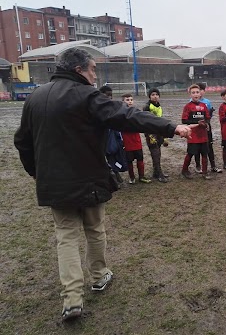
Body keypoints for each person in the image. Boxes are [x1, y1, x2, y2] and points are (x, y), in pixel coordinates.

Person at [13, 48, 192, 322]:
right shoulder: (87, 96)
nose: (95, 75)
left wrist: (36, 172)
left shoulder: (36, 97)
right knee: (94, 229)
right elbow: (127, 116)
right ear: (79, 70)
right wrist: (169, 127)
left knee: (66, 236)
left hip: (55, 183)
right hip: (89, 180)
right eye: (93, 69)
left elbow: (22, 141)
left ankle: (72, 299)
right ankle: (98, 276)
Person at [181, 84, 211, 180]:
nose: (195, 94)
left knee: (204, 154)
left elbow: (207, 118)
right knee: (190, 153)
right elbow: (184, 120)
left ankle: (205, 172)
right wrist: (197, 123)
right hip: (193, 135)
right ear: (190, 95)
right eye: (193, 93)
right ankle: (184, 170)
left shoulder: (203, 106)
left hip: (203, 135)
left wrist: (205, 123)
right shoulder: (188, 107)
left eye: (197, 92)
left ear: (200, 94)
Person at [121, 94, 152, 184]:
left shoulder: (136, 112)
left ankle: (141, 176)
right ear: (123, 101)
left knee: (140, 159)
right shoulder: (121, 114)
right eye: (127, 100)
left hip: (137, 141)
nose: (130, 101)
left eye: (131, 99)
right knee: (129, 161)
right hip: (127, 142)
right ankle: (132, 177)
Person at [193, 83, 222, 173]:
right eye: (197, 91)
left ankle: (213, 166)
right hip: (196, 128)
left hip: (206, 127)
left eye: (201, 90)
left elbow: (209, 116)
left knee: (209, 146)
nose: (199, 93)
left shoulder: (207, 102)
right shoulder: (191, 102)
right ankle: (198, 166)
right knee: (197, 147)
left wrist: (209, 113)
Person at [101, 85, 127, 184]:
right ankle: (112, 178)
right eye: (107, 95)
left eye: (111, 95)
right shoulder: (96, 107)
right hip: (102, 139)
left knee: (114, 156)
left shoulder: (113, 107)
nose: (110, 97)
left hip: (113, 137)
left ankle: (116, 174)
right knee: (106, 159)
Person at [143, 88, 169, 183]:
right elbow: (145, 122)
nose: (155, 96)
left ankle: (156, 172)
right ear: (149, 96)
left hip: (159, 132)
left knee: (158, 153)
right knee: (155, 153)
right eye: (153, 94)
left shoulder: (159, 106)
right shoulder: (147, 107)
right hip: (151, 133)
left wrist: (164, 135)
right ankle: (159, 174)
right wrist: (150, 135)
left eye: (157, 94)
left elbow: (161, 120)